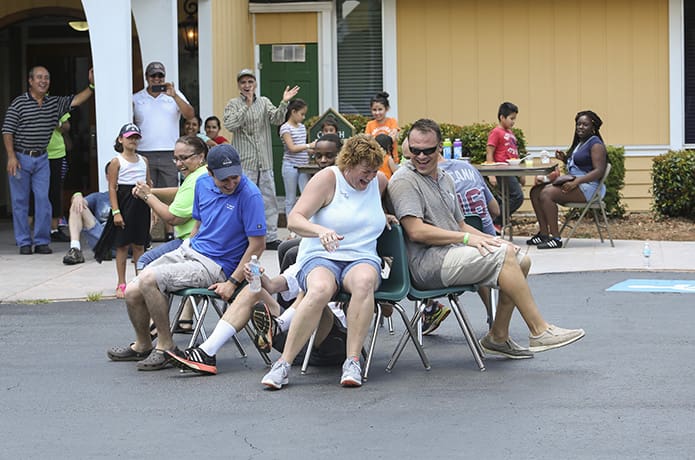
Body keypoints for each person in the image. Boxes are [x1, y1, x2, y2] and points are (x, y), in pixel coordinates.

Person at [388, 118, 584, 360]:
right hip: (426, 264)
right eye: (415, 151)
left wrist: (495, 239)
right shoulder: (404, 180)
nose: (420, 156)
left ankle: (498, 336)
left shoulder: (445, 178)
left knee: (520, 259)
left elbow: (460, 224)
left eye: (427, 150)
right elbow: (416, 231)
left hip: (450, 253)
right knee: (504, 257)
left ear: (440, 148)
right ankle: (539, 330)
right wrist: (468, 238)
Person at [106, 144, 266, 371]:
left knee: (149, 278)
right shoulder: (202, 183)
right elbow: (198, 223)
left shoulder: (250, 195)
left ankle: (165, 347)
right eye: (224, 180)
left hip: (216, 265)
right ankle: (143, 344)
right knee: (132, 291)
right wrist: (187, 248)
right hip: (191, 250)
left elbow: (257, 245)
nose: (231, 184)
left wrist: (232, 282)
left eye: (235, 177)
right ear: (210, 174)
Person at [261, 134, 394, 390]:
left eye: (374, 171)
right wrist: (320, 231)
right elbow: (295, 219)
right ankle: (284, 364)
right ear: (349, 164)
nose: (369, 178)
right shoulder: (328, 178)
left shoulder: (379, 181)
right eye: (364, 172)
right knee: (320, 288)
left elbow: (372, 208)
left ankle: (352, 360)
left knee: (365, 282)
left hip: (361, 256)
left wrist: (385, 215)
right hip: (323, 255)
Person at [3, 65, 94, 255]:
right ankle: (24, 243)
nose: (43, 81)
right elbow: (7, 130)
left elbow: (76, 100)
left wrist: (92, 86)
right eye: (39, 77)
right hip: (20, 157)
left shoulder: (53, 103)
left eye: (46, 78)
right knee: (20, 202)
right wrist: (11, 156)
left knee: (44, 200)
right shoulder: (19, 103)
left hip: (42, 158)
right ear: (30, 81)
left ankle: (42, 241)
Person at [223, 68, 300, 250]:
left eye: (250, 82)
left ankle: (271, 237)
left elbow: (277, 119)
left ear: (255, 84)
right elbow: (231, 124)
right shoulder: (233, 104)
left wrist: (284, 102)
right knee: (244, 199)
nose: (247, 86)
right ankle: (242, 236)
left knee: (268, 200)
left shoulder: (264, 102)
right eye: (243, 82)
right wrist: (246, 106)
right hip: (244, 162)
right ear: (239, 85)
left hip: (264, 162)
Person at [527, 110, 608, 249]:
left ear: (593, 127)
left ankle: (556, 238)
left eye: (585, 124)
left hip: (589, 187)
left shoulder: (595, 144)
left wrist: (576, 182)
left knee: (546, 194)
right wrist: (565, 159)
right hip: (576, 183)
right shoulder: (581, 142)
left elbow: (599, 171)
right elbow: (579, 165)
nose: (580, 127)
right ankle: (544, 234)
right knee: (535, 191)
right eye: (578, 124)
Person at [277, 133, 343, 300]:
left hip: (337, 244)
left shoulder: (344, 180)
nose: (322, 160)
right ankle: (283, 304)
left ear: (341, 154)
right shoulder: (317, 179)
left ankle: (295, 308)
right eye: (318, 156)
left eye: (329, 156)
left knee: (292, 253)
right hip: (317, 238)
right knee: (284, 247)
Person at [98, 123, 151, 299]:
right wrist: (116, 211)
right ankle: (121, 282)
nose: (133, 141)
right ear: (121, 139)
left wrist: (154, 209)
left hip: (141, 205)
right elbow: (112, 188)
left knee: (139, 245)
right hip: (124, 203)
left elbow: (149, 185)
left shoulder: (144, 161)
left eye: (136, 137)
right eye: (129, 137)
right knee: (122, 245)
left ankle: (139, 281)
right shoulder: (116, 162)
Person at [132, 61, 194, 189]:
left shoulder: (174, 95)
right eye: (153, 76)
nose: (156, 79)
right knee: (147, 191)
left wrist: (175, 96)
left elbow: (190, 115)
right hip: (144, 152)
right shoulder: (136, 98)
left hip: (170, 152)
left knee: (170, 190)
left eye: (160, 76)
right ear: (146, 77)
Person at [62, 165, 111, 265]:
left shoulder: (129, 195)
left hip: (119, 240)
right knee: (77, 203)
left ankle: (108, 249)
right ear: (107, 176)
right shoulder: (99, 197)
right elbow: (80, 201)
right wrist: (77, 195)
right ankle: (75, 249)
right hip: (99, 237)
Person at [486, 102, 525, 227]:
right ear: (502, 117)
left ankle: (498, 220)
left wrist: (521, 173)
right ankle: (497, 222)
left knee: (510, 198)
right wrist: (491, 174)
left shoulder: (511, 133)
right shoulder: (496, 132)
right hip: (501, 170)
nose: (513, 122)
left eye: (515, 119)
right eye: (511, 118)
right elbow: (490, 151)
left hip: (512, 170)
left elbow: (515, 154)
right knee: (517, 197)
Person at [280, 98, 316, 217]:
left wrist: (313, 149)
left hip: (303, 166)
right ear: (293, 112)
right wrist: (308, 145)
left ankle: (306, 223)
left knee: (306, 196)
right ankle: (291, 227)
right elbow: (292, 148)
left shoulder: (301, 127)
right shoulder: (285, 128)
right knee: (290, 199)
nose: (303, 117)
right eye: (302, 114)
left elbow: (303, 147)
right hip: (290, 166)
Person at [47, 112, 71, 242]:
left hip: (56, 154)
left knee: (55, 192)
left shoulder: (57, 104)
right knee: (34, 194)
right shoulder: (25, 104)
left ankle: (54, 229)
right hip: (34, 154)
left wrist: (58, 123)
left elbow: (67, 126)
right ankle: (27, 234)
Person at [365, 91, 400, 178]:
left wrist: (380, 140)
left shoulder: (392, 122)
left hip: (391, 158)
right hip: (375, 160)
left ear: (386, 109)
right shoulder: (370, 124)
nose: (377, 113)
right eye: (374, 110)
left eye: (380, 109)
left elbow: (393, 136)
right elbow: (367, 141)